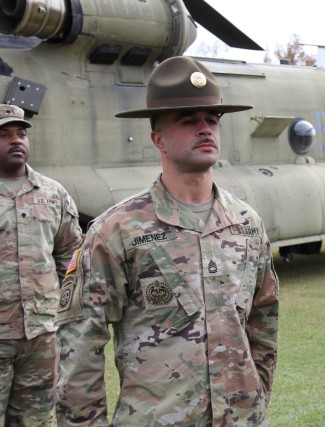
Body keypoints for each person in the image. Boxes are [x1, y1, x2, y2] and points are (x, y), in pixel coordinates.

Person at [54, 56, 279, 425]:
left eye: (212, 120)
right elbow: (80, 348)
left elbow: (264, 325)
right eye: (189, 121)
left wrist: (255, 402)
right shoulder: (117, 231)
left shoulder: (246, 224)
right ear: (158, 138)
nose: (205, 129)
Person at [0, 104, 83, 425]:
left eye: (21, 134)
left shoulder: (53, 194)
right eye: (5, 135)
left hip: (42, 336)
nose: (16, 140)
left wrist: (67, 314)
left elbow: (71, 259)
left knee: (35, 419)